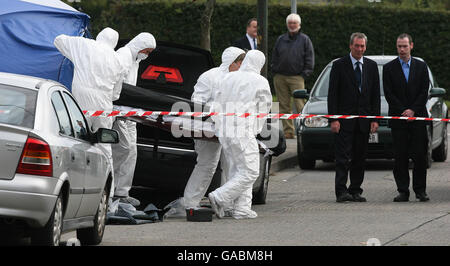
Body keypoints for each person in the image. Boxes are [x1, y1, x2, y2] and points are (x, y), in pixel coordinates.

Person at [165, 47, 246, 217]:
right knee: (207, 164)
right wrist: (213, 115)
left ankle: (225, 203)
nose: (241, 66)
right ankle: (190, 203)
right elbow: (197, 102)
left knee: (230, 164)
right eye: (240, 63)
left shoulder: (238, 78)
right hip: (208, 128)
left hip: (229, 127)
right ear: (233, 62)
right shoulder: (210, 76)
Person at [54, 27, 126, 198]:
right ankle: (107, 197)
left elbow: (58, 40)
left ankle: (71, 191)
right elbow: (116, 94)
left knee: (74, 143)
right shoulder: (118, 60)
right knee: (104, 149)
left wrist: (78, 38)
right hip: (103, 108)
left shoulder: (83, 45)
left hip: (80, 105)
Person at [208, 50, 272, 219]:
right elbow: (263, 108)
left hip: (225, 131)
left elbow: (216, 104)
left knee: (237, 169)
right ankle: (220, 197)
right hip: (243, 130)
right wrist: (255, 130)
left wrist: (220, 125)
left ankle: (241, 208)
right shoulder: (260, 81)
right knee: (250, 171)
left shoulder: (229, 77)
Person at [327, 32, 381, 203]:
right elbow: (332, 94)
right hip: (344, 122)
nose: (359, 49)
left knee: (360, 157)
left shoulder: (372, 66)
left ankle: (355, 190)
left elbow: (375, 95)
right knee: (342, 158)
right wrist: (333, 119)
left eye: (362, 46)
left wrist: (375, 119)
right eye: (357, 46)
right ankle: (341, 191)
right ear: (350, 46)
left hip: (364, 122)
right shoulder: (339, 65)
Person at [383, 33, 430, 202]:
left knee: (420, 155)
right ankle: (403, 190)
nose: (402, 49)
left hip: (418, 119)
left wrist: (413, 110)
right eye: (399, 46)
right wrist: (403, 110)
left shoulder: (421, 66)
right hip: (399, 120)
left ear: (411, 45)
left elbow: (424, 91)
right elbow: (389, 93)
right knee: (400, 156)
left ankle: (420, 190)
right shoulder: (389, 68)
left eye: (404, 46)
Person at [111, 32, 157, 207]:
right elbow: (118, 85)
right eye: (146, 50)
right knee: (122, 150)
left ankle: (122, 192)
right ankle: (112, 190)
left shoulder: (135, 60)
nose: (147, 54)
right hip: (119, 112)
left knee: (131, 152)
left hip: (129, 113)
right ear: (139, 46)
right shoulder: (123, 56)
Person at [271, 13, 314, 139]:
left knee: (300, 105)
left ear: (299, 25)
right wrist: (274, 69)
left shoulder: (305, 39)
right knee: (283, 106)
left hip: (297, 77)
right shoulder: (281, 39)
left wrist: (305, 73)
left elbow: (310, 58)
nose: (292, 25)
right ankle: (288, 132)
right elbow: (275, 55)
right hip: (280, 77)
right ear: (287, 24)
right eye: (290, 23)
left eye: (294, 23)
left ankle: (304, 129)